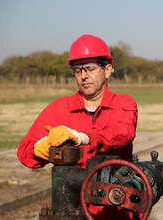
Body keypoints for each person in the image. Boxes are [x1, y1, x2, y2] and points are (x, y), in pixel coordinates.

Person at [17, 34, 138, 219]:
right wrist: (39, 150)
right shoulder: (59, 109)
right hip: (72, 212)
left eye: (90, 69)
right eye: (78, 70)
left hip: (117, 211)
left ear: (107, 69)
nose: (83, 76)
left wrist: (81, 137)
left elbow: (123, 133)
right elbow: (25, 152)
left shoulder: (123, 104)